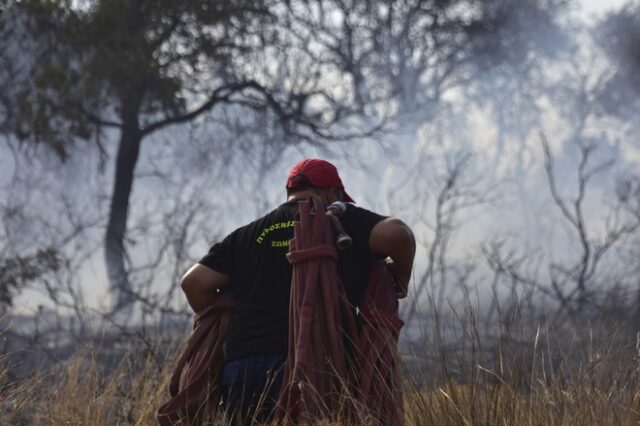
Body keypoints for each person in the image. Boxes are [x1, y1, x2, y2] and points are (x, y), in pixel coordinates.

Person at [180, 158, 415, 425]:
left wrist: (232, 310)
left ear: (289, 193)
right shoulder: (339, 221)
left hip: (241, 365)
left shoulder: (248, 234)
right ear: (333, 194)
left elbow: (194, 283)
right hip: (306, 365)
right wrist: (401, 279)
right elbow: (399, 235)